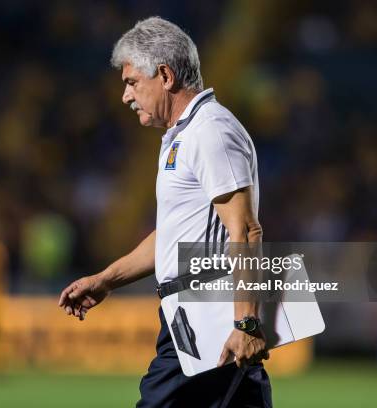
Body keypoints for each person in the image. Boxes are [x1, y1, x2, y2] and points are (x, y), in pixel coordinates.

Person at [58, 17, 272, 407]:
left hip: (210, 316)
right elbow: (171, 237)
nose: (125, 95)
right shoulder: (183, 135)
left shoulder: (211, 132)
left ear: (165, 75)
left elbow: (245, 231)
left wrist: (246, 323)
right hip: (190, 316)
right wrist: (106, 279)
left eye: (131, 82)